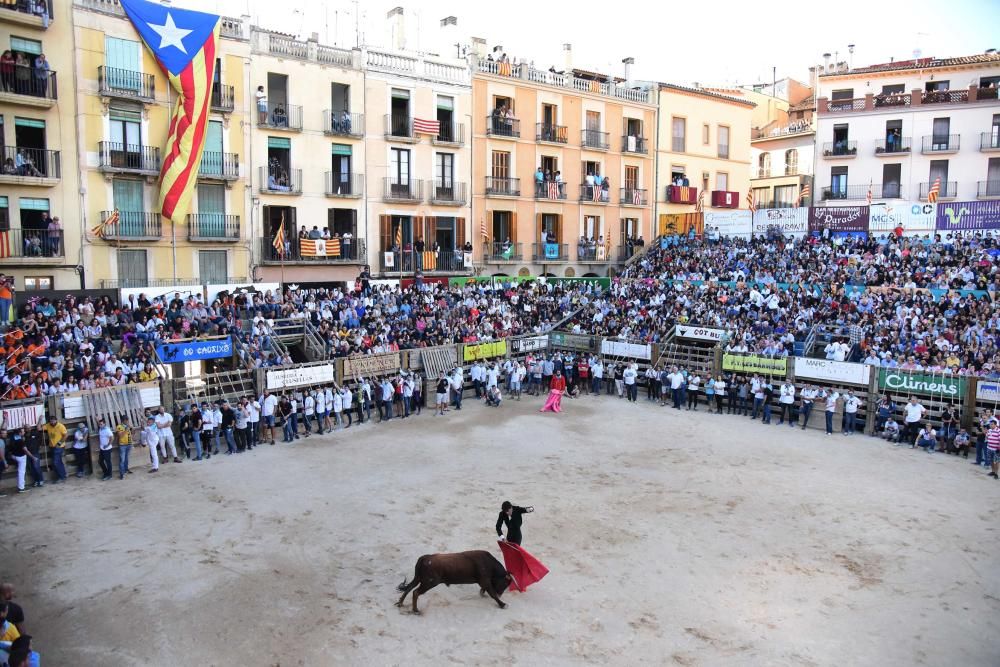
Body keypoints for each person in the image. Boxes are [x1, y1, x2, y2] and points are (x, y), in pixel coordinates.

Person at [42, 415, 67, 483]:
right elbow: (39, 428)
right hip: (52, 446)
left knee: (56, 462)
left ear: (56, 420)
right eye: (51, 421)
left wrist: (59, 444)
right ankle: (63, 475)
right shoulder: (48, 425)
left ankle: (61, 477)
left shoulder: (61, 426)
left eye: (53, 421)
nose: (52, 422)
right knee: (58, 462)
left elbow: (65, 435)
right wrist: (39, 420)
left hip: (59, 447)